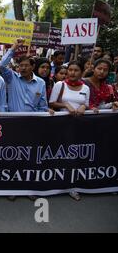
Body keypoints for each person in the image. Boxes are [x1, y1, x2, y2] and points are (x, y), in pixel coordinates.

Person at [49, 61, 90, 201]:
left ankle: (72, 186)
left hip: (79, 127)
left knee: (74, 156)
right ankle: (55, 184)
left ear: (81, 72)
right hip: (61, 126)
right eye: (70, 70)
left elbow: (86, 104)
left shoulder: (85, 87)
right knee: (59, 154)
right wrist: (66, 105)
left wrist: (84, 107)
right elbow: (52, 103)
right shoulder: (60, 85)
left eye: (76, 70)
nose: (72, 73)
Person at [0, 39, 49, 113]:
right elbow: (2, 65)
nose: (23, 68)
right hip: (13, 120)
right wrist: (13, 48)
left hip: (32, 121)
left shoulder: (41, 83)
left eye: (26, 65)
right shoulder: (12, 77)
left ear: (33, 67)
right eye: (21, 65)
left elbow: (42, 106)